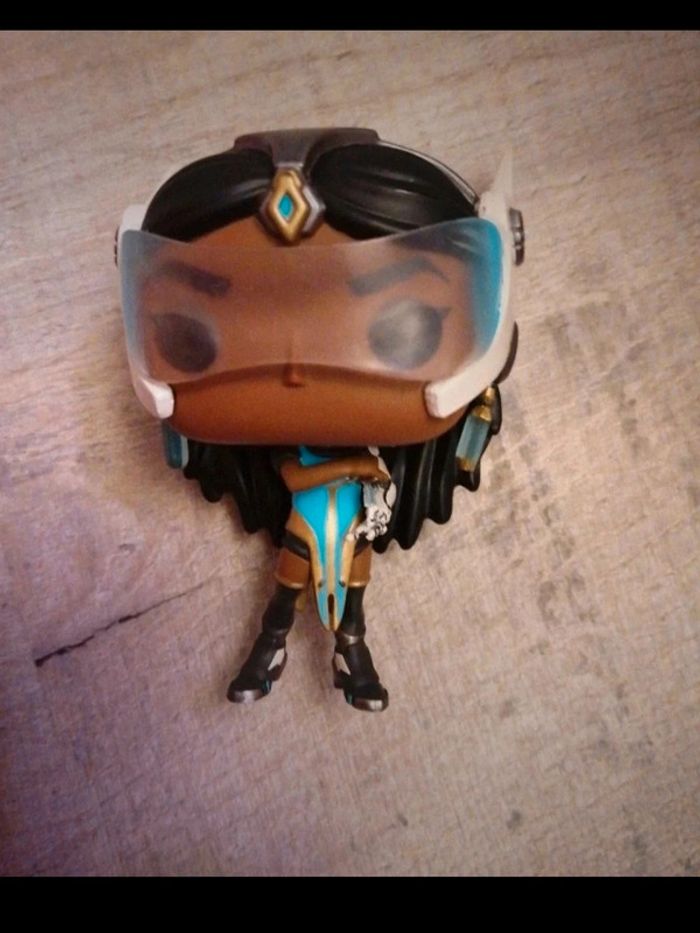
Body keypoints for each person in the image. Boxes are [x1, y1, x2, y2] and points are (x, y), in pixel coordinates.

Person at [117, 128, 524, 712]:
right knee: (287, 594)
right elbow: (293, 475)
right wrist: (358, 467)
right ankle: (274, 648)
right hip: (315, 521)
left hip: (344, 524)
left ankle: (346, 652)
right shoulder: (316, 457)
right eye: (192, 335)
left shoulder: (388, 450)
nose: (293, 368)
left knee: (347, 598)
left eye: (401, 329)